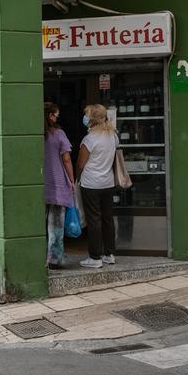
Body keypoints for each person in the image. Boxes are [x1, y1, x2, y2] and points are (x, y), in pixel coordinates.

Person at [76, 104, 119, 269]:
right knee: (107, 218)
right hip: (107, 183)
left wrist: (77, 179)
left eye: (86, 115)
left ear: (91, 120)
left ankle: (95, 257)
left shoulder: (89, 139)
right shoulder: (112, 136)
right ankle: (109, 254)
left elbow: (80, 164)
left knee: (94, 220)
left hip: (91, 183)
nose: (85, 118)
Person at [44, 102, 76, 270]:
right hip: (57, 185)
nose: (57, 118)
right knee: (56, 225)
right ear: (50, 116)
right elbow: (66, 159)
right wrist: (72, 180)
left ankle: (38, 257)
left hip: (39, 186)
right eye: (56, 115)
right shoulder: (58, 134)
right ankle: (54, 259)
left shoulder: (34, 134)